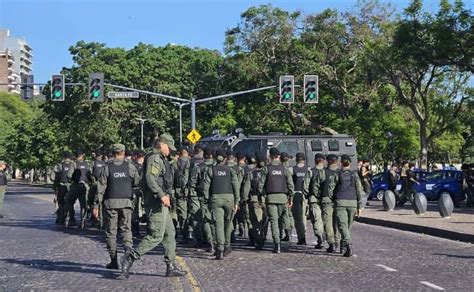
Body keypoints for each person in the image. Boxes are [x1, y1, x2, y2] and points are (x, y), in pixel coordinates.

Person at [121, 133, 187, 278]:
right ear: (162, 144)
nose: (170, 150)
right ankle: (131, 256)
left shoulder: (161, 158)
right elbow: (150, 178)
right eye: (168, 147)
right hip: (156, 202)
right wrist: (161, 194)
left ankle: (170, 266)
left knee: (170, 234)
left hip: (162, 203)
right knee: (156, 235)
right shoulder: (155, 158)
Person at [97, 144, 140, 269]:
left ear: (112, 152)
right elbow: (137, 181)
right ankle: (127, 249)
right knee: (126, 229)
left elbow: (101, 187)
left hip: (111, 203)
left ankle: (114, 261)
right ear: (124, 152)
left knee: (111, 232)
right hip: (126, 203)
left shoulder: (107, 168)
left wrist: (96, 205)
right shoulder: (130, 167)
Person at [258, 148, 294, 254]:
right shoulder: (284, 168)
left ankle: (276, 244)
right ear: (278, 156)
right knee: (281, 221)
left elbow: (261, 185)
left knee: (274, 222)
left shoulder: (266, 168)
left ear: (270, 156)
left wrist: (262, 196)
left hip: (271, 198)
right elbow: (290, 184)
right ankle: (284, 239)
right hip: (283, 198)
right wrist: (290, 197)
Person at [329, 155, 363, 257]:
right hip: (352, 203)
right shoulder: (355, 175)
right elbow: (359, 190)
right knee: (347, 227)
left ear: (341, 163)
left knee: (342, 226)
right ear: (350, 164)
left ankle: (348, 245)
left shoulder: (337, 174)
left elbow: (331, 188)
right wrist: (360, 206)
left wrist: (333, 199)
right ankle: (343, 246)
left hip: (340, 202)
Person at [189, 147, 215, 252]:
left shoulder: (198, 167)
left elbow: (192, 183)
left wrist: (192, 195)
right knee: (211, 220)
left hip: (199, 196)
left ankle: (201, 241)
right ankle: (212, 241)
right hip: (213, 196)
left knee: (197, 219)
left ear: (204, 155)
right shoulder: (217, 167)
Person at [244, 152, 268, 249]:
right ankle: (263, 236)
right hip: (266, 199)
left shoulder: (251, 174)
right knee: (265, 220)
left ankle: (259, 240)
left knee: (256, 221)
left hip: (255, 199)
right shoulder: (268, 172)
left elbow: (246, 188)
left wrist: (244, 199)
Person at [303, 154, 326, 250]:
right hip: (327, 199)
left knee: (316, 219)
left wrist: (308, 196)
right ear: (323, 160)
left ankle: (320, 237)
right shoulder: (327, 171)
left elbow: (305, 186)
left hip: (314, 199)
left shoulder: (311, 171)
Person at [65, 149, 92, 228]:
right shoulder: (87, 164)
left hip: (75, 185)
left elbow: (69, 175)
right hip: (85, 186)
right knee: (83, 204)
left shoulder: (74, 164)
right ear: (83, 155)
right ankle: (83, 220)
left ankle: (72, 219)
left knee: (69, 201)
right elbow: (90, 175)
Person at [289, 152, 309, 245]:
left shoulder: (292, 169)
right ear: (304, 160)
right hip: (307, 196)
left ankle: (302, 237)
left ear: (296, 159)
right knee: (305, 217)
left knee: (298, 218)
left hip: (296, 194)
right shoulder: (308, 170)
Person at [186, 147, 204, 244]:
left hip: (194, 194)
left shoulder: (191, 163)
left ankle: (198, 238)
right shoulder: (208, 164)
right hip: (206, 194)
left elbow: (190, 180)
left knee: (196, 216)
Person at [174, 146, 191, 242]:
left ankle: (178, 233)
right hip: (190, 191)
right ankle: (187, 232)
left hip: (177, 191)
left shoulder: (174, 163)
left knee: (178, 213)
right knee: (187, 213)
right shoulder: (191, 163)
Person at [53, 151, 74, 224]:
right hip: (71, 186)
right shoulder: (73, 164)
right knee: (70, 203)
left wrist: (55, 186)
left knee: (60, 202)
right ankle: (71, 218)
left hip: (61, 186)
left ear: (64, 157)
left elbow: (56, 177)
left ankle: (61, 217)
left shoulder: (60, 165)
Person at [89, 149, 105, 227]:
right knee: (101, 203)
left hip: (94, 184)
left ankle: (94, 219)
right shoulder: (104, 163)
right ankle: (101, 221)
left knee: (93, 202)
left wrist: (93, 181)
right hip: (102, 185)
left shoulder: (93, 163)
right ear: (101, 155)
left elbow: (90, 173)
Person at [280, 152, 293, 242]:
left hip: (283, 193)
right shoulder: (291, 169)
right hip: (291, 193)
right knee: (289, 215)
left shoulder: (281, 168)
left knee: (283, 216)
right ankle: (289, 233)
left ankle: (286, 234)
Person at [131, 150, 145, 237]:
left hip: (134, 190)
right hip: (142, 191)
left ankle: (135, 230)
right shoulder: (145, 166)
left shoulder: (132, 166)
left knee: (134, 211)